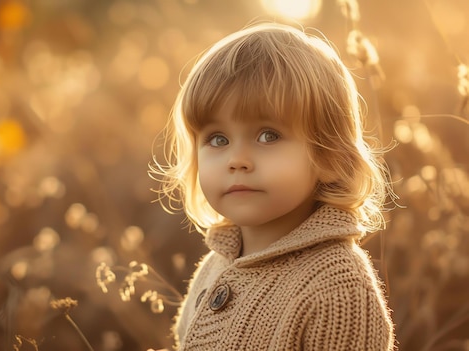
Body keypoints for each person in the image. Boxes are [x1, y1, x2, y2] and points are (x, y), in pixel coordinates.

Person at [149, 23, 396, 350]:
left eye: (268, 135)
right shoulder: (217, 264)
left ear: (329, 157)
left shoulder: (337, 288)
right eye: (217, 139)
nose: (237, 160)